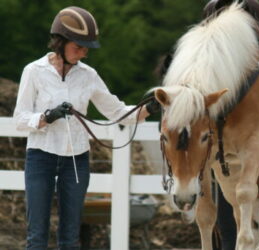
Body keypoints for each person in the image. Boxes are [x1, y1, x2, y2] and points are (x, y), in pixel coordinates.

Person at [13, 6, 160, 249]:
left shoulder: (89, 76)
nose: (83, 53)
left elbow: (118, 112)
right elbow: (20, 118)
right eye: (78, 47)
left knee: (70, 237)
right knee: (37, 236)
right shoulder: (34, 71)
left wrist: (150, 108)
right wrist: (48, 116)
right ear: (60, 41)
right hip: (40, 157)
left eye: (86, 49)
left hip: (76, 159)